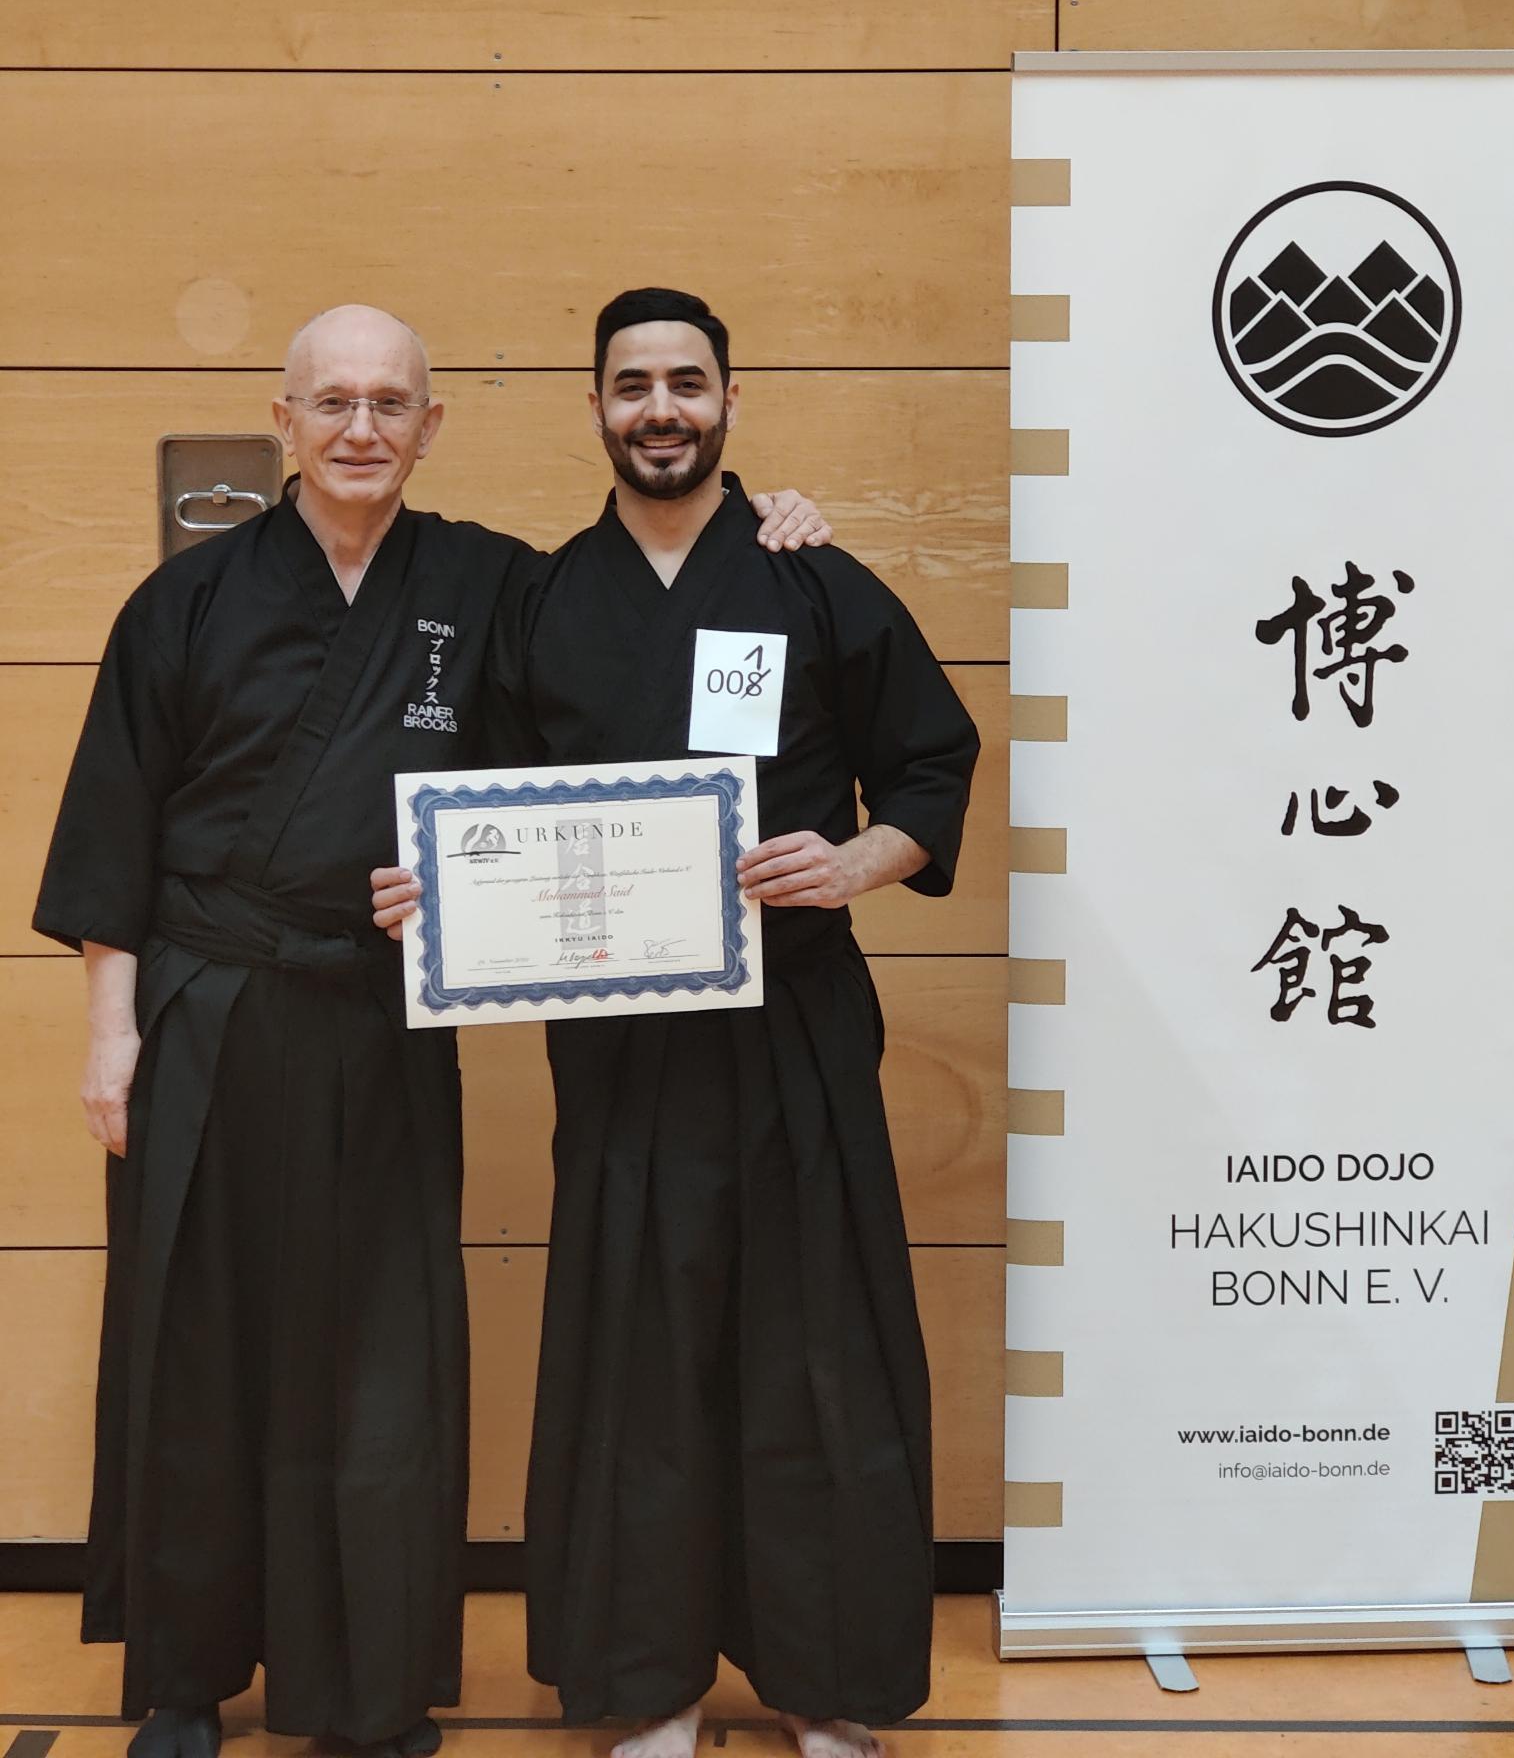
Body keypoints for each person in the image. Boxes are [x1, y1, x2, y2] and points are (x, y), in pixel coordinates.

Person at [32, 303, 829, 1758]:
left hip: (381, 1013)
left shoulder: (489, 585)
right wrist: (110, 1032)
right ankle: (185, 1683)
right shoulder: (184, 602)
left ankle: (367, 1690)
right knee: (197, 1342)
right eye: (333, 401)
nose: (361, 429)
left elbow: (626, 643)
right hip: (207, 1009)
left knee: (382, 1356)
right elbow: (112, 827)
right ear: (284, 421)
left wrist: (764, 522)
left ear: (431, 424)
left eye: (391, 403)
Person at [373, 287, 980, 1758]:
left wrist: (853, 864)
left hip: (796, 1028)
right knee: (635, 1351)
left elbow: (931, 765)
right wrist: (437, 889)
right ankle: (643, 1682)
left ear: (728, 400)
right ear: (595, 405)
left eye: (687, 383)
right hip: (624, 1043)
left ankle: (826, 1680)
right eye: (633, 384)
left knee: (815, 1342)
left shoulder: (813, 578)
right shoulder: (541, 598)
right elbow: (484, 802)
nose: (661, 408)